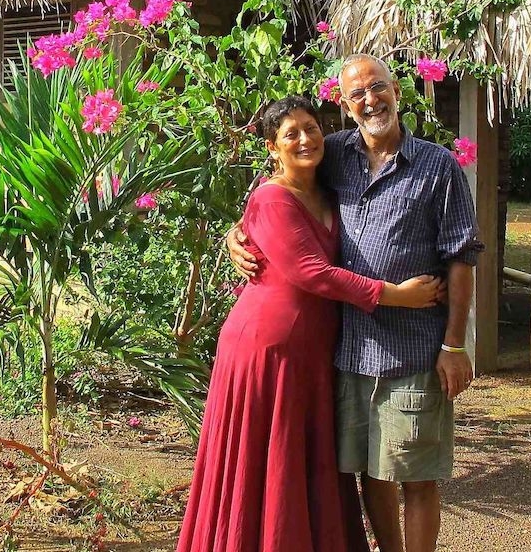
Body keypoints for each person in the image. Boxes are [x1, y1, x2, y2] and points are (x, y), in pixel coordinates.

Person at [227, 54, 482, 552]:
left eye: (378, 87)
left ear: (397, 92)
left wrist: (454, 345)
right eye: (358, 94)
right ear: (344, 106)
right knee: (372, 475)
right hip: (349, 351)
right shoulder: (335, 154)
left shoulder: (438, 166)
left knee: (416, 473)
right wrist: (237, 236)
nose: (371, 100)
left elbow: (461, 258)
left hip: (412, 348)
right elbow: (280, 198)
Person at [177, 95, 446, 552]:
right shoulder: (270, 196)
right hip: (268, 348)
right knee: (268, 455)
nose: (305, 139)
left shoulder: (331, 184)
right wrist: (396, 296)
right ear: (271, 147)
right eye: (290, 134)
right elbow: (311, 272)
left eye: (311, 127)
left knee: (305, 458)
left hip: (317, 349)